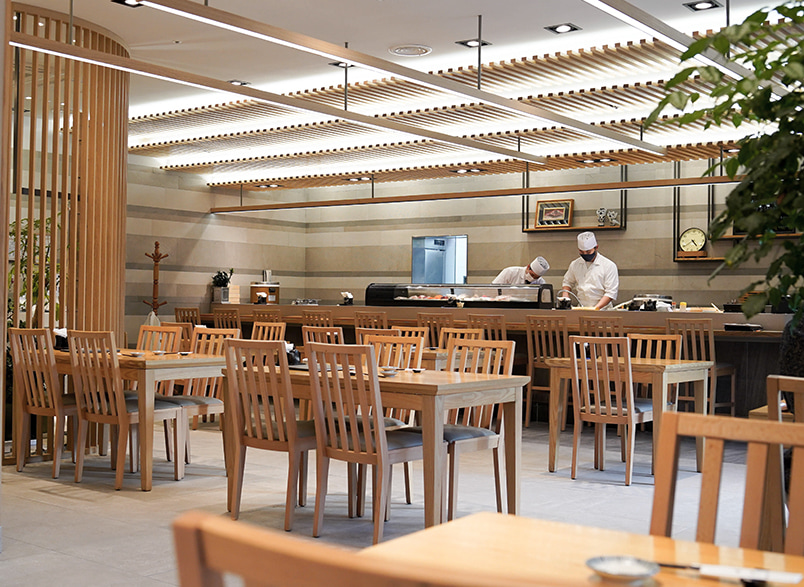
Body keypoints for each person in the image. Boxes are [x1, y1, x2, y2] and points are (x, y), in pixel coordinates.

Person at [560, 231, 619, 310]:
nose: (585, 254)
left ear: (596, 247)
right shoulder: (575, 264)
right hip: (581, 308)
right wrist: (565, 295)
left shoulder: (608, 266)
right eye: (581, 252)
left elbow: (611, 293)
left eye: (588, 252)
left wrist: (596, 308)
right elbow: (567, 282)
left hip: (603, 310)